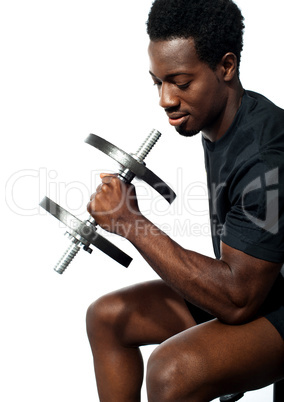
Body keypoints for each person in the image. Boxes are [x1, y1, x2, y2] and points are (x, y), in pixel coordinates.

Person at [86, 0, 284, 400]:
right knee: (107, 318)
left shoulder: (265, 156)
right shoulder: (223, 120)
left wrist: (130, 223)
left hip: (264, 298)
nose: (165, 99)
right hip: (256, 285)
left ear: (226, 68)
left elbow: (238, 300)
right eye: (157, 82)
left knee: (172, 370)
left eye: (180, 81)